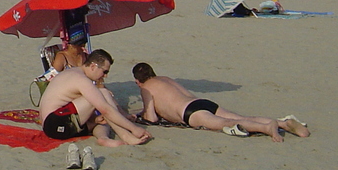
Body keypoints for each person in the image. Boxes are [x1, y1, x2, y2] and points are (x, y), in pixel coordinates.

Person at [132, 63, 309, 142]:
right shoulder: (165, 79)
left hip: (191, 114)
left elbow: (152, 117)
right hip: (201, 102)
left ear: (138, 81)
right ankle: (282, 123)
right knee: (240, 117)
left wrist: (139, 116)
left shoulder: (146, 87)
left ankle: (267, 128)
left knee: (227, 124)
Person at [37, 50, 151, 146]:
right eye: (104, 71)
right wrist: (133, 128)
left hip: (52, 124)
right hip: (55, 122)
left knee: (102, 119)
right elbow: (105, 109)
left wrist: (95, 119)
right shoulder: (81, 80)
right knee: (103, 95)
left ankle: (103, 138)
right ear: (93, 66)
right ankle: (125, 135)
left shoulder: (73, 72)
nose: (105, 76)